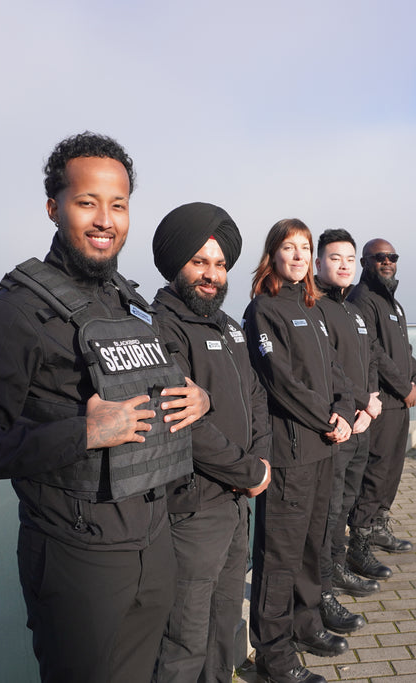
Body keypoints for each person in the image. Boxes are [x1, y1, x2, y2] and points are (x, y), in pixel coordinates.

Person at [0, 132, 210, 683]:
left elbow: (160, 382)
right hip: (78, 557)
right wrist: (80, 433)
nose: (105, 219)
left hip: (155, 543)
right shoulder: (11, 315)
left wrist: (198, 397)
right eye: (87, 202)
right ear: (53, 208)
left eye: (118, 204)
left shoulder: (135, 305)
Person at [150, 202, 272, 683]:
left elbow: (256, 396)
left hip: (238, 501)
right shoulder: (161, 327)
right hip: (193, 509)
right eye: (200, 262)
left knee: (225, 627)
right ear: (176, 263)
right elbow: (185, 421)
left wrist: (260, 459)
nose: (212, 275)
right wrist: (249, 471)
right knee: (184, 636)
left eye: (220, 265)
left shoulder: (229, 327)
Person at [243, 219, 354, 683]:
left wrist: (345, 410)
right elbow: (282, 383)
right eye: (289, 247)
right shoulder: (263, 310)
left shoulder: (311, 307)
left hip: (323, 448)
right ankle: (273, 656)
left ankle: (307, 625)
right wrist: (326, 419)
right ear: (273, 254)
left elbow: (335, 372)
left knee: (312, 545)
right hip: (290, 453)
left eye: (305, 248)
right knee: (279, 558)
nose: (298, 255)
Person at [312, 229, 383, 634]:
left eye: (350, 259)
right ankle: (322, 588)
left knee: (347, 503)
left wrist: (371, 402)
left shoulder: (353, 310)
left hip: (363, 423)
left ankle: (338, 570)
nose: (344, 265)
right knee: (329, 510)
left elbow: (369, 357)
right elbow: (329, 368)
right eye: (335, 258)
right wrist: (359, 402)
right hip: (337, 425)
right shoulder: (316, 307)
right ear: (320, 262)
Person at [346, 238, 416, 579]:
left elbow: (404, 347)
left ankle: (378, 527)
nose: (387, 261)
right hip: (381, 403)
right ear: (365, 262)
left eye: (392, 257)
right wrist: (404, 386)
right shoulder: (361, 299)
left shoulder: (394, 303)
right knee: (375, 473)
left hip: (400, 402)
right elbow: (373, 351)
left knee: (391, 471)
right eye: (380, 257)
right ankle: (359, 543)